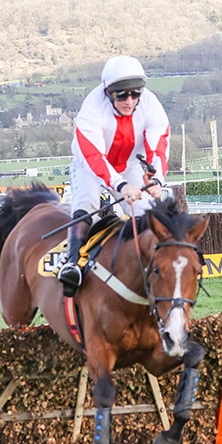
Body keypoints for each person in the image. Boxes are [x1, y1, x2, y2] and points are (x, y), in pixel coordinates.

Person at [57, 55, 168, 297]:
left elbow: (158, 145)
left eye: (135, 93)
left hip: (130, 165)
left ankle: (154, 270)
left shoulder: (150, 104)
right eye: (121, 94)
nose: (129, 101)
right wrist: (120, 185)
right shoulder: (92, 108)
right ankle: (72, 263)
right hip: (91, 165)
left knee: (145, 211)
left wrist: (156, 178)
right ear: (108, 92)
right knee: (86, 201)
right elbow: (95, 157)